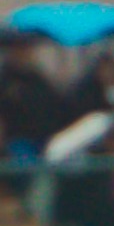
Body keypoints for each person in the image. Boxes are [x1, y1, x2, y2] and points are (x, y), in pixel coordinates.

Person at [0, 33, 69, 164]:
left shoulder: (37, 78)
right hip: (18, 140)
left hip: (46, 138)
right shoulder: (6, 81)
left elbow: (53, 103)